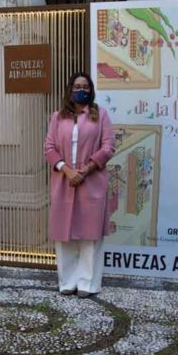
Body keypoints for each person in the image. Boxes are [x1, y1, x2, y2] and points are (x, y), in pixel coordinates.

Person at [44, 72, 115, 298]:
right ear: (69, 89)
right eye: (77, 86)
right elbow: (49, 147)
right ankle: (67, 281)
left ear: (91, 90)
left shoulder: (100, 115)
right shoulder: (58, 117)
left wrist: (86, 170)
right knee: (64, 234)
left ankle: (87, 283)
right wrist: (66, 170)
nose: (81, 89)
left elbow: (108, 147)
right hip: (63, 182)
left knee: (90, 235)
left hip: (91, 181)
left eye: (85, 86)